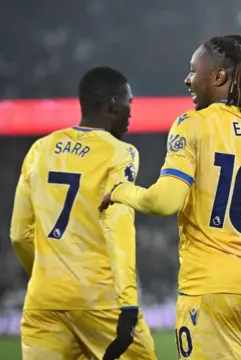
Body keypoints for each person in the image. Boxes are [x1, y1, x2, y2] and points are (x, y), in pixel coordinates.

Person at [99, 35, 241, 360]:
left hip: (210, 289)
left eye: (193, 70)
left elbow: (165, 201)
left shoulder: (193, 125)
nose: (187, 79)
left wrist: (122, 191)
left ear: (219, 77)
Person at [10, 66, 156, 360]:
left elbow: (18, 235)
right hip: (100, 299)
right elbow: (120, 225)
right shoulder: (120, 152)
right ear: (113, 104)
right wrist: (128, 301)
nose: (131, 112)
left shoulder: (39, 149)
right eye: (129, 102)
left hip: (44, 300)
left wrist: (46, 275)